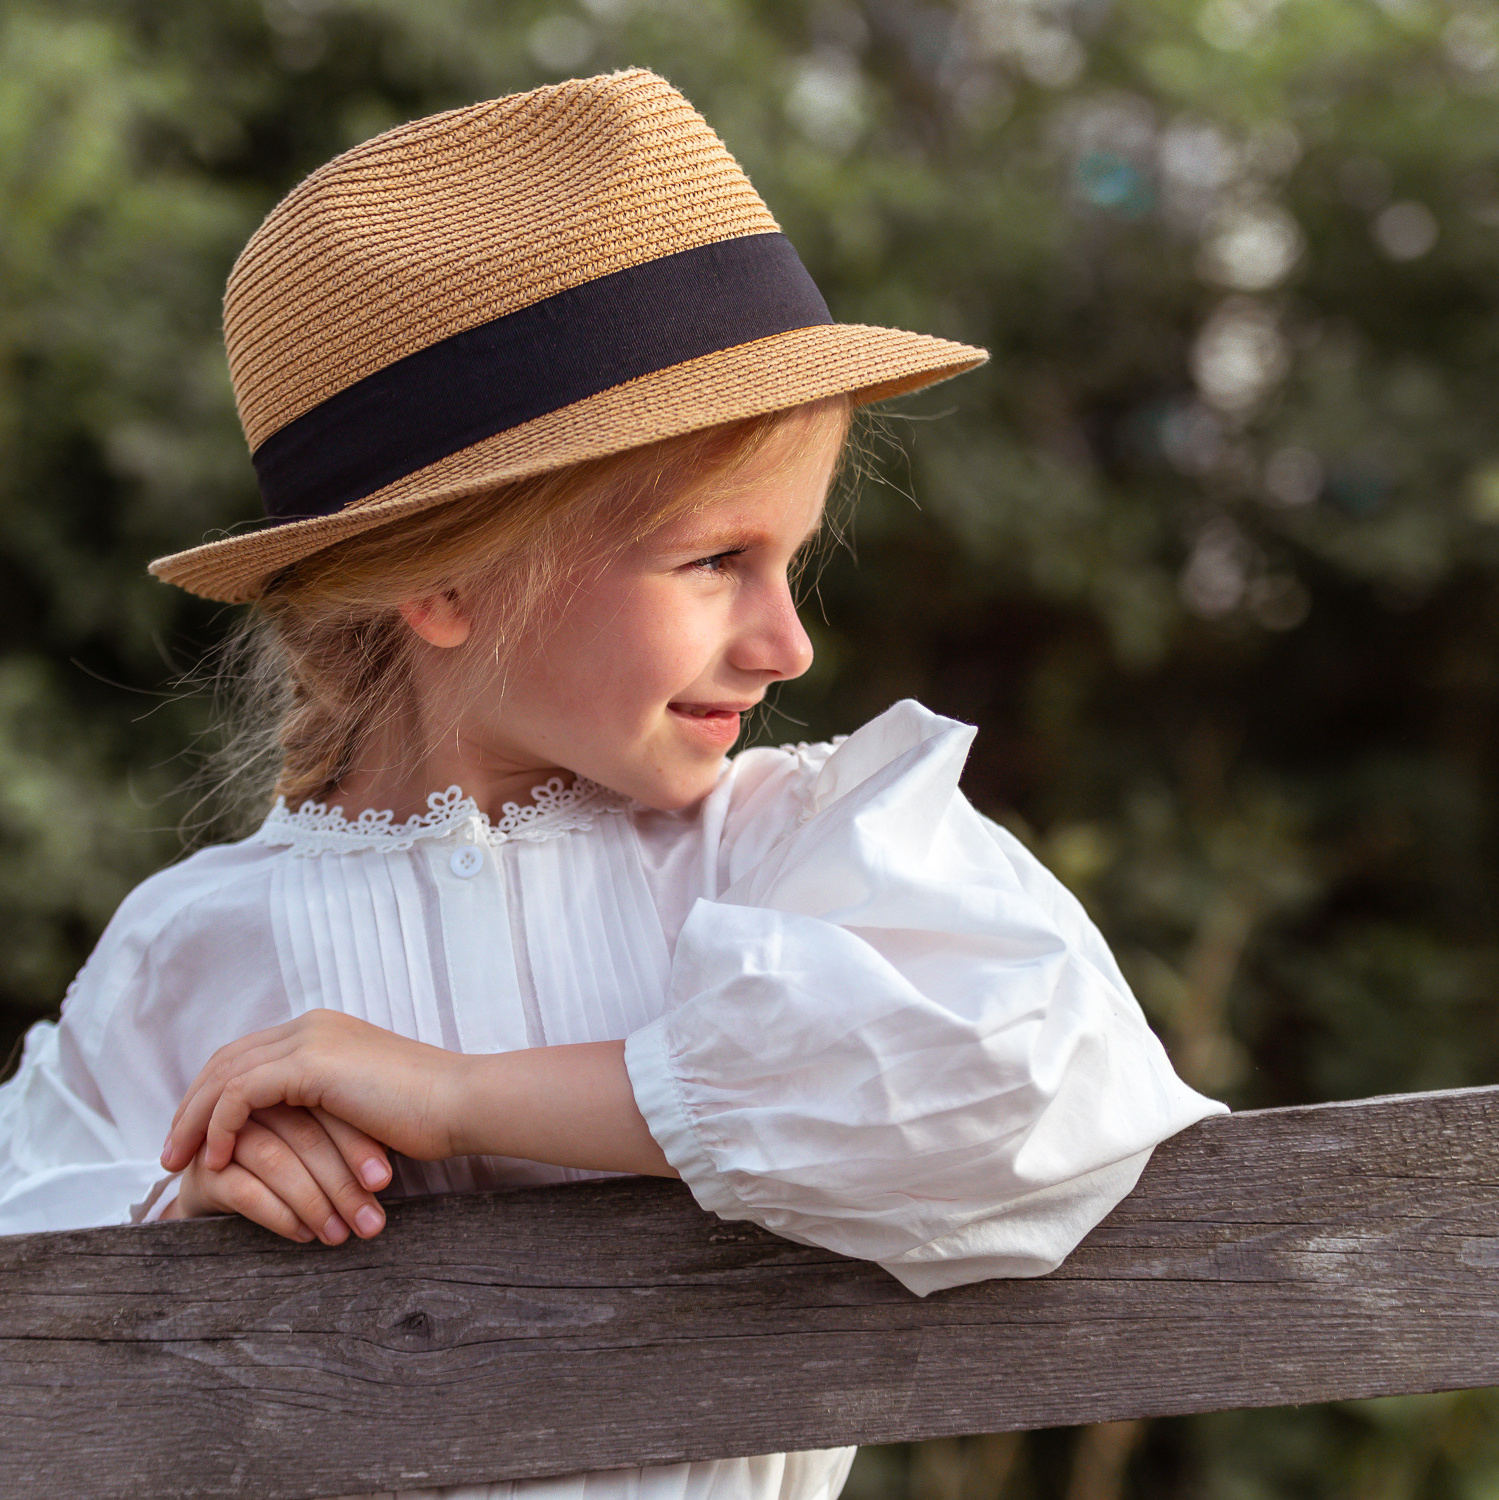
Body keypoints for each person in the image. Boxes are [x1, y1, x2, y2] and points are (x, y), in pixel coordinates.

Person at [0, 69, 1223, 1500]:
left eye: (792, 559)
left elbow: (1025, 1083)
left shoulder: (794, 862)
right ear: (447, 580)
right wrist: (178, 1236)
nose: (788, 642)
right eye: (717, 561)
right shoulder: (186, 955)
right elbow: (35, 1315)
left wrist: (459, 1098)